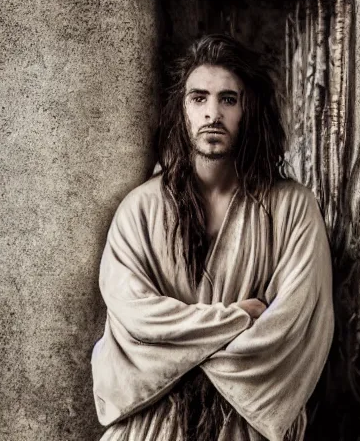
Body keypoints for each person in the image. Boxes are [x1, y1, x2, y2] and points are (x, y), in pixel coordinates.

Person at [90, 34, 334, 441]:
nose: (212, 114)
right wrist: (239, 317)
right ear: (181, 110)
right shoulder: (140, 209)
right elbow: (134, 318)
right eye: (198, 98)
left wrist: (177, 352)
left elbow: (294, 325)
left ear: (248, 109)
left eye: (228, 100)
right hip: (152, 424)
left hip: (244, 425)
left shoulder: (293, 208)